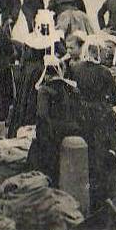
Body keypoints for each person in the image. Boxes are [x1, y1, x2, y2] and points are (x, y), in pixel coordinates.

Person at [69, 36, 116, 212]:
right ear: (98, 53)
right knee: (112, 155)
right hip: (103, 117)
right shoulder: (104, 72)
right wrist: (105, 100)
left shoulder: (75, 68)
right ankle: (109, 196)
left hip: (81, 117)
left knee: (87, 157)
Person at [27, 55, 83, 186]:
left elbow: (42, 114)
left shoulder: (44, 91)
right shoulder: (69, 88)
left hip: (52, 132)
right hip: (71, 129)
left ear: (45, 74)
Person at [8, 9, 61, 138]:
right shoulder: (51, 41)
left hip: (30, 72)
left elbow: (24, 57)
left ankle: (20, 130)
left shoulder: (30, 40)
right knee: (36, 101)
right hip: (41, 71)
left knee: (25, 100)